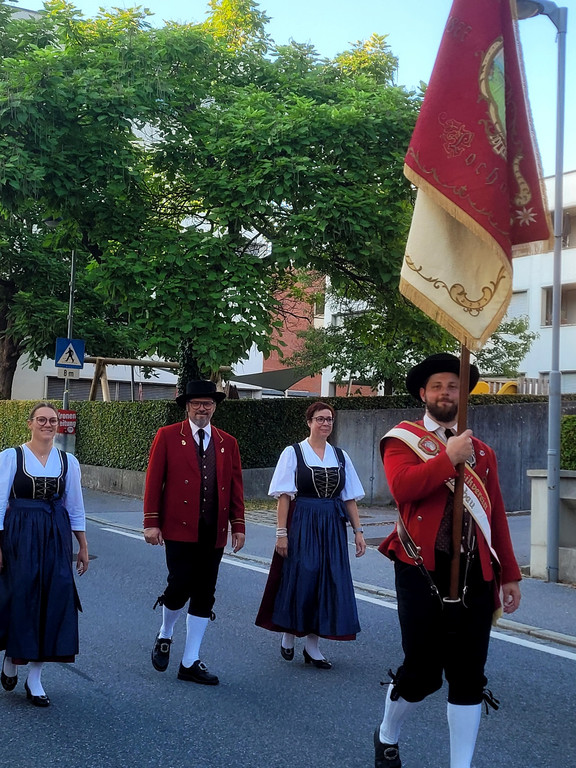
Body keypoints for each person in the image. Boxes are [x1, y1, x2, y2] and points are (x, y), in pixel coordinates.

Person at [373, 354, 522, 768]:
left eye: (453, 386)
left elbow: (494, 515)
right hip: (421, 569)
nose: (445, 393)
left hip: (476, 573)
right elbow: (404, 489)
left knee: (469, 675)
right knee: (421, 673)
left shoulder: (483, 452)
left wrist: (509, 575)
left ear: (464, 394)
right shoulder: (401, 440)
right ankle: (387, 734)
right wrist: (448, 458)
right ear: (423, 393)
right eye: (437, 387)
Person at [143, 380, 245, 686]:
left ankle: (190, 661)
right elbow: (153, 480)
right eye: (197, 403)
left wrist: (238, 525)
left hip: (213, 529)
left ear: (214, 407)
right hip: (177, 527)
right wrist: (151, 521)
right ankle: (165, 633)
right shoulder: (169, 436)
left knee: (205, 592)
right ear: (187, 406)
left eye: (208, 404)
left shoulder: (228, 442)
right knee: (179, 585)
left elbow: (236, 488)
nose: (203, 408)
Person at [255, 401, 366, 668]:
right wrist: (281, 533)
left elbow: (349, 497)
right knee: (302, 576)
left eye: (329, 419)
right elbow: (283, 496)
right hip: (303, 520)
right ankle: (289, 632)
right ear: (309, 421)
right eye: (320, 419)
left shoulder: (340, 456)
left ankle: (313, 647)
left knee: (327, 581)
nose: (325, 423)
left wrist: (358, 532)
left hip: (332, 524)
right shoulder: (293, 452)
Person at [0, 402, 89, 708]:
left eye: (52, 420)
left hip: (55, 533)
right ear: (30, 423)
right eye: (41, 419)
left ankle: (35, 678)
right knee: (22, 595)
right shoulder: (12, 457)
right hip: (19, 533)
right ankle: (13, 656)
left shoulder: (68, 461)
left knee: (54, 597)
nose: (48, 424)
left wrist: (83, 547)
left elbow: (74, 506)